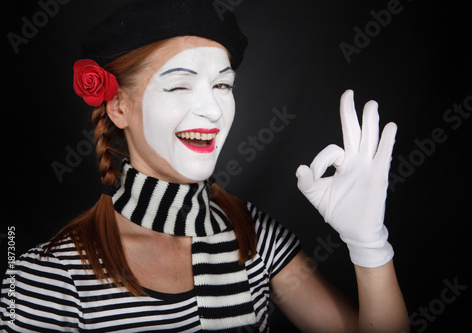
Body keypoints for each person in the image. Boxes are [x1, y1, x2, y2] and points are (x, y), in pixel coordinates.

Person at [0, 0, 409, 332]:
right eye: (179, 84)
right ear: (118, 106)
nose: (213, 109)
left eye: (222, 85)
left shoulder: (257, 238)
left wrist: (369, 245)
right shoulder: (44, 280)